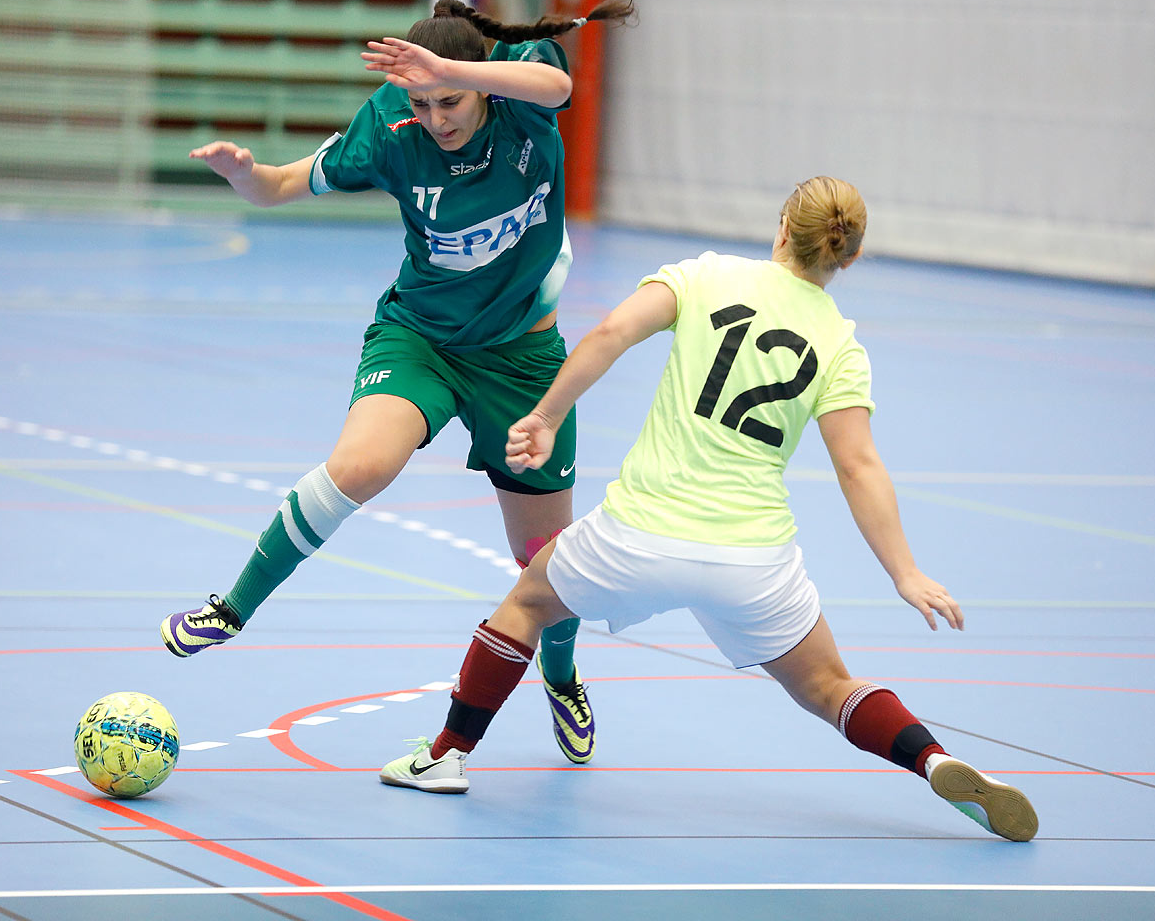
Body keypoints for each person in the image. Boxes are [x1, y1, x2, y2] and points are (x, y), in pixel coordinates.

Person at [378, 177, 1039, 842]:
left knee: (526, 604)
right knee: (829, 687)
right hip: (752, 559)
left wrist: (547, 415)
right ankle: (934, 759)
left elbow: (612, 331)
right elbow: (857, 465)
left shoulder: (705, 276)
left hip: (639, 531)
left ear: (783, 227)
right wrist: (905, 572)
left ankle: (442, 756)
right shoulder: (840, 343)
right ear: (850, 257)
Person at [159, 0, 636, 765]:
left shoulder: (520, 86)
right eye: (421, 102)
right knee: (361, 465)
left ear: (474, 82)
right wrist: (244, 175)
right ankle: (233, 606)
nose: (436, 115)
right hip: (420, 337)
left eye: (447, 100)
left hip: (523, 360)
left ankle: (562, 674)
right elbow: (280, 185)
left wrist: (448, 69)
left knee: (546, 554)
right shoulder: (390, 124)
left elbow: (560, 92)